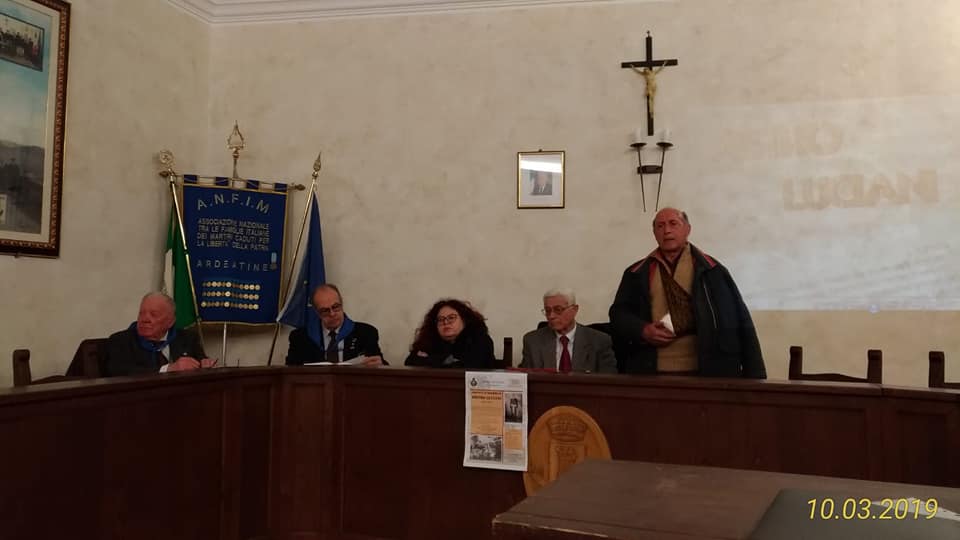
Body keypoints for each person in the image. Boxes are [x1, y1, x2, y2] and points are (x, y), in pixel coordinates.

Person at [609, 208, 766, 378]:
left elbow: (740, 320)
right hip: (650, 372)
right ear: (654, 233)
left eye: (673, 224)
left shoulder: (712, 271)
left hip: (706, 373)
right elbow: (618, 314)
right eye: (660, 226)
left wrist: (755, 374)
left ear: (687, 229)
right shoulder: (636, 273)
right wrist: (643, 330)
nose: (667, 230)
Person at [103, 292, 215, 376]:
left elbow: (201, 360)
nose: (145, 319)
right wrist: (168, 369)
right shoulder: (120, 341)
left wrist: (205, 364)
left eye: (154, 314)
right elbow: (119, 372)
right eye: (142, 313)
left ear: (170, 321)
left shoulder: (188, 338)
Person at [520, 288, 617, 373]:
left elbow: (608, 381)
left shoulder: (599, 341)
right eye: (548, 310)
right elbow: (524, 379)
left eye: (558, 309)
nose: (551, 316)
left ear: (574, 309)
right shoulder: (533, 341)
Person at [286, 284, 385, 366]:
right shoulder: (300, 338)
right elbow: (289, 372)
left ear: (342, 303)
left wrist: (380, 365)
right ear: (317, 312)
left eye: (336, 307)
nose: (332, 314)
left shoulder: (366, 333)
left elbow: (381, 366)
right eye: (325, 311)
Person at [404, 299, 495, 369]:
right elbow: (410, 362)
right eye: (440, 319)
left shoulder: (480, 340)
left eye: (451, 318)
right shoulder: (429, 341)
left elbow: (466, 367)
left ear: (464, 320)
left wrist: (430, 359)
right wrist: (447, 360)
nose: (446, 322)